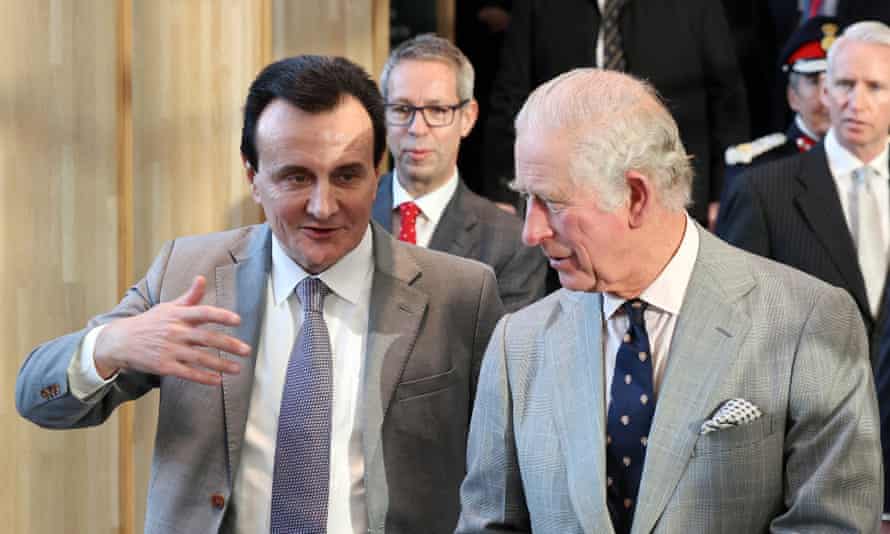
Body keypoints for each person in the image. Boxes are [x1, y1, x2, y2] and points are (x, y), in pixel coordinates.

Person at [16, 55, 504, 534]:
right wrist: (111, 344)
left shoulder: (460, 295)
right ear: (253, 177)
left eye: (346, 175)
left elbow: (505, 476)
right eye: (296, 176)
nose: (323, 205)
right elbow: (37, 396)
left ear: (378, 170)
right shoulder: (188, 274)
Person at [456, 68, 881, 533]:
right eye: (525, 200)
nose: (531, 232)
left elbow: (830, 525)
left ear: (636, 196)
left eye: (552, 203)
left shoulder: (808, 323)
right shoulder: (518, 344)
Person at [481, 0, 749, 229]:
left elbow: (726, 100)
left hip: (669, 187)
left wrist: (724, 191)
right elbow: (511, 96)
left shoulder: (693, 5)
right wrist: (502, 190)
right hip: (568, 191)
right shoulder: (540, 5)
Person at [716, 21, 890, 365]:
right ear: (825, 93)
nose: (857, 102)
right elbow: (729, 322)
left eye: (875, 87)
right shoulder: (762, 191)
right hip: (805, 410)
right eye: (844, 84)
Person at [372, 34, 547, 312]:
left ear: (467, 117)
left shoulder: (510, 243)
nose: (417, 128)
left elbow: (506, 352)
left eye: (438, 110)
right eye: (402, 109)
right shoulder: (348, 215)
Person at [722, 16, 840, 195]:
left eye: (839, 82)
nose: (826, 97)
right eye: (814, 81)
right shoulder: (756, 171)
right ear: (792, 96)